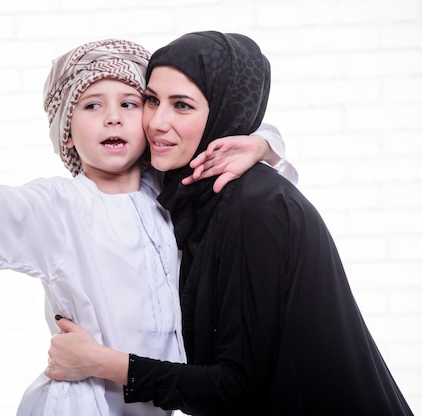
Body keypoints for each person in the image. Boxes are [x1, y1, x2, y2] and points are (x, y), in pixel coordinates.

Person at [0, 39, 295, 416]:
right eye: (92, 106)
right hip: (86, 401)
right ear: (67, 134)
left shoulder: (173, 192)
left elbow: (237, 141)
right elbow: (5, 210)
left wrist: (261, 144)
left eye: (129, 103)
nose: (113, 117)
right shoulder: (60, 207)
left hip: (155, 398)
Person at [45, 31, 414, 415]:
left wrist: (99, 362)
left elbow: (237, 387)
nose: (157, 122)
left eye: (182, 105)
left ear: (223, 112)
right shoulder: (190, 191)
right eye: (152, 100)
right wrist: (263, 142)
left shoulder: (252, 207)